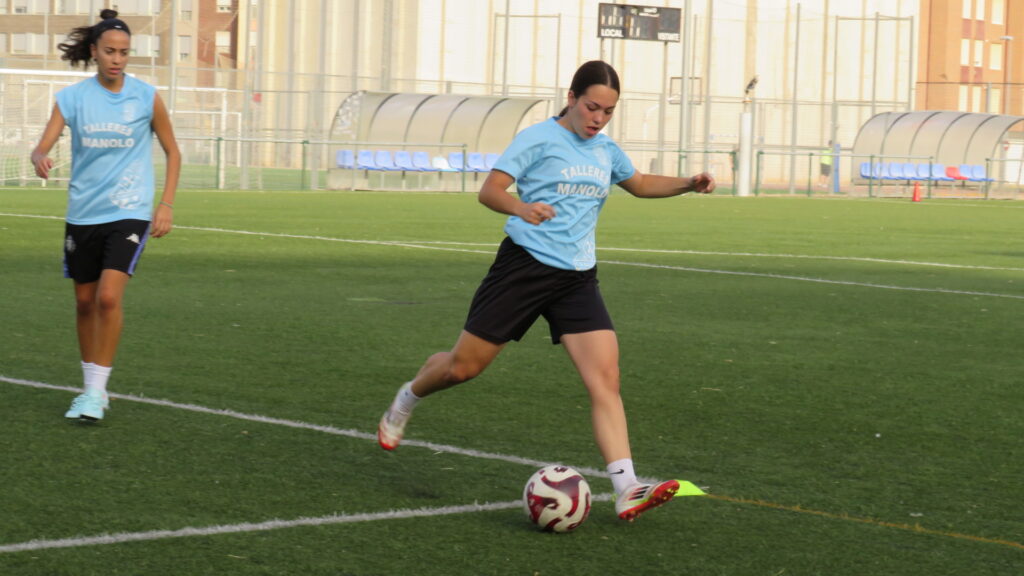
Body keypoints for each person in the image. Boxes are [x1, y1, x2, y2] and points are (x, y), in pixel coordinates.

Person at [377, 60, 715, 522]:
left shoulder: (606, 150)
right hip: (524, 270)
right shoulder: (538, 138)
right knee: (462, 368)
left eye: (608, 112)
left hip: (576, 278)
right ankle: (409, 396)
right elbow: (490, 190)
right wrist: (521, 207)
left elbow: (636, 183)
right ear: (572, 97)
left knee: (606, 378)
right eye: (592, 107)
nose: (598, 118)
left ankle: (626, 486)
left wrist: (687, 184)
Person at [31, 9, 181, 422]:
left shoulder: (146, 96)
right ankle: (89, 387)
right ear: (95, 51)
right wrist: (39, 156)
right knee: (83, 302)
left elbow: (173, 151)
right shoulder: (73, 98)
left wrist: (164, 204)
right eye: (110, 51)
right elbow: (43, 144)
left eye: (125, 52)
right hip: (83, 214)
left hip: (128, 211)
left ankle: (95, 393)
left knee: (108, 297)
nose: (118, 59)